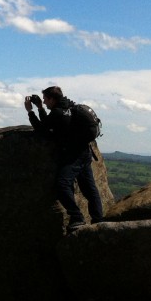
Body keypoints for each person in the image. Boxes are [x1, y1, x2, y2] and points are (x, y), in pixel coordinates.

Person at [25, 85, 103, 232]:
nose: (45, 102)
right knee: (89, 189)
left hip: (73, 155)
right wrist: (41, 108)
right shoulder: (69, 107)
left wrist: (30, 111)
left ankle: (77, 217)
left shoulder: (58, 113)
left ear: (52, 99)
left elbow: (42, 130)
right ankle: (98, 221)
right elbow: (50, 123)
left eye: (45, 100)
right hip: (84, 152)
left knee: (62, 185)